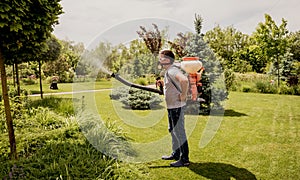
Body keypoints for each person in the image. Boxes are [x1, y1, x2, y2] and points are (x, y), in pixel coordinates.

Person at [158, 49, 190, 167]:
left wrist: (184, 95)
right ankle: (176, 154)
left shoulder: (172, 70)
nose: (159, 61)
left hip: (176, 107)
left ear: (167, 60)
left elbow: (184, 80)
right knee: (173, 130)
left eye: (161, 58)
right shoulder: (169, 72)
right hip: (172, 107)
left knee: (179, 132)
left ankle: (184, 159)